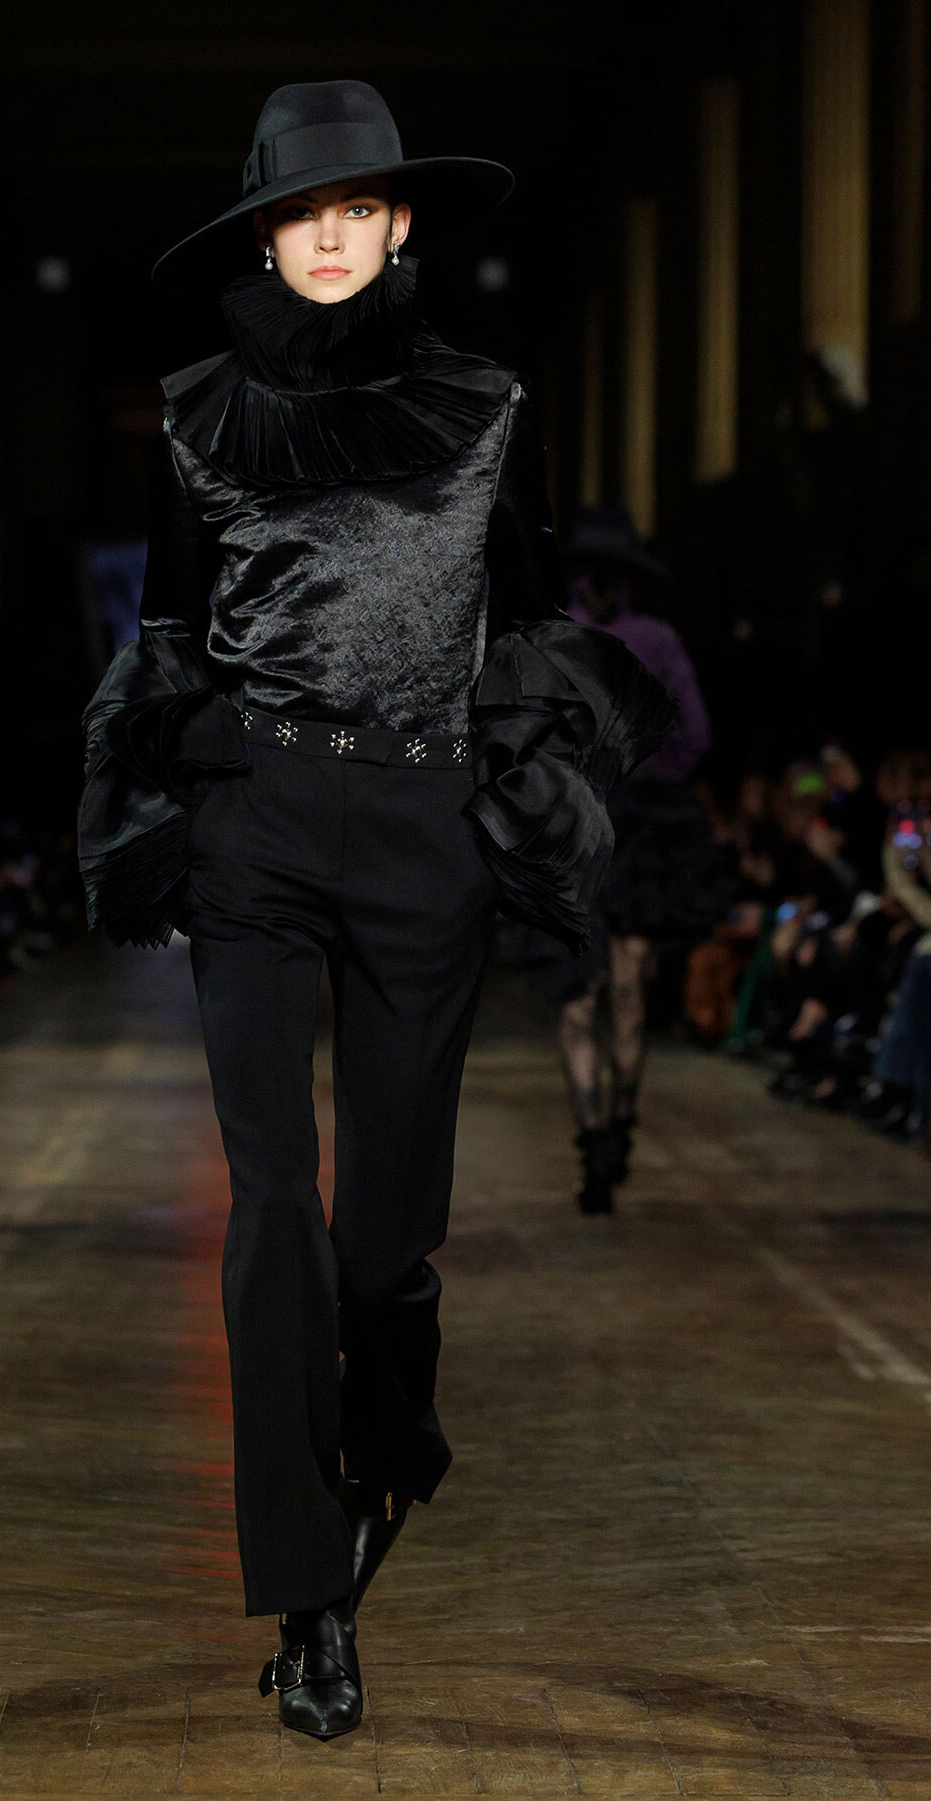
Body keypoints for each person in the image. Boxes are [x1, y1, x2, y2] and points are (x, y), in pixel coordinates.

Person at [77, 81, 672, 1739]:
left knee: (384, 1234)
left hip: (424, 827)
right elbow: (176, 645)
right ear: (266, 229)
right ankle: (308, 1597)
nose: (331, 238)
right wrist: (159, 818)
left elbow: (536, 624)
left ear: (400, 223)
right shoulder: (198, 414)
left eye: (360, 209)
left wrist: (531, 805)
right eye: (302, 213)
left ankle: (386, 1422)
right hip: (259, 823)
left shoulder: (488, 409)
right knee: (269, 1207)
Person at [555, 507, 723, 1213]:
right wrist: (648, 773)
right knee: (612, 994)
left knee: (590, 996)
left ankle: (603, 1138)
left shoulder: (555, 636)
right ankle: (610, 1131)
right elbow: (693, 733)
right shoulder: (651, 638)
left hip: (580, 823)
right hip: (623, 822)